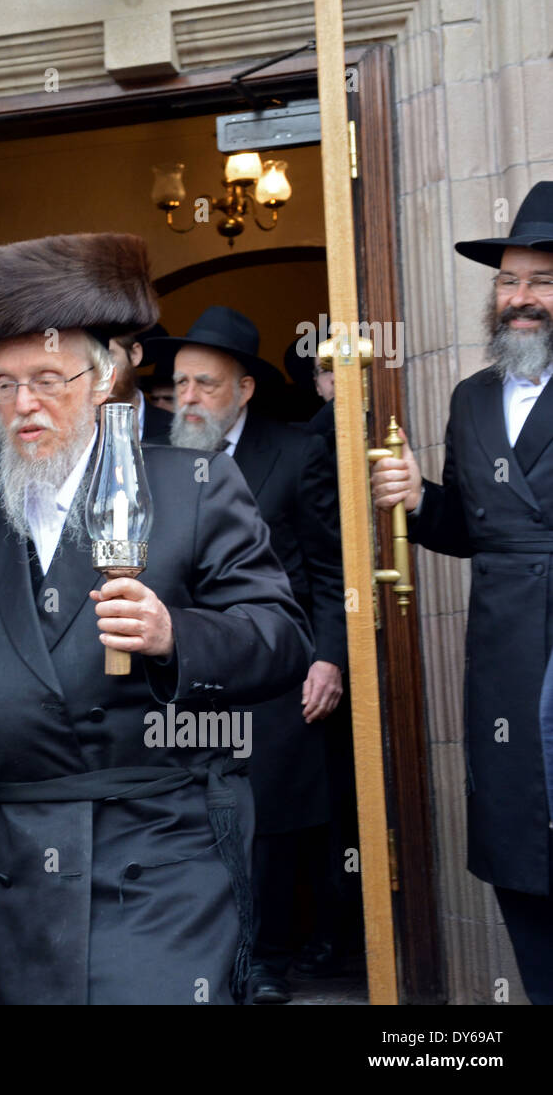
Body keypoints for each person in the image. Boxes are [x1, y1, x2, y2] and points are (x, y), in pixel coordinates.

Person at [0, 232, 312, 1003]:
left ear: (102, 379)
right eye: (3, 386)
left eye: (45, 379)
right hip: (6, 858)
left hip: (157, 849)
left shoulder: (195, 483)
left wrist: (176, 637)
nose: (22, 405)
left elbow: (282, 637)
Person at [370, 181, 553, 1004]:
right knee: (519, 847)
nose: (520, 299)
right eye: (508, 282)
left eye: (540, 282)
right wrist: (419, 499)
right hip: (502, 652)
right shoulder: (472, 397)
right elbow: (477, 531)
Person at [149, 306, 347, 1004]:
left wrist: (330, 657)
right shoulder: (151, 454)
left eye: (207, 384)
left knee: (272, 823)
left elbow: (330, 569)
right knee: (197, 817)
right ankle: (210, 957)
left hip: (274, 666)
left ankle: (263, 961)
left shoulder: (295, 453)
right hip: (180, 671)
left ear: (245, 390)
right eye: (180, 384)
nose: (190, 399)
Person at [105, 322, 172, 444]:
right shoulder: (71, 429)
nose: (96, 369)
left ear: (134, 355)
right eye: (88, 359)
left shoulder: (175, 431)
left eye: (107, 355)